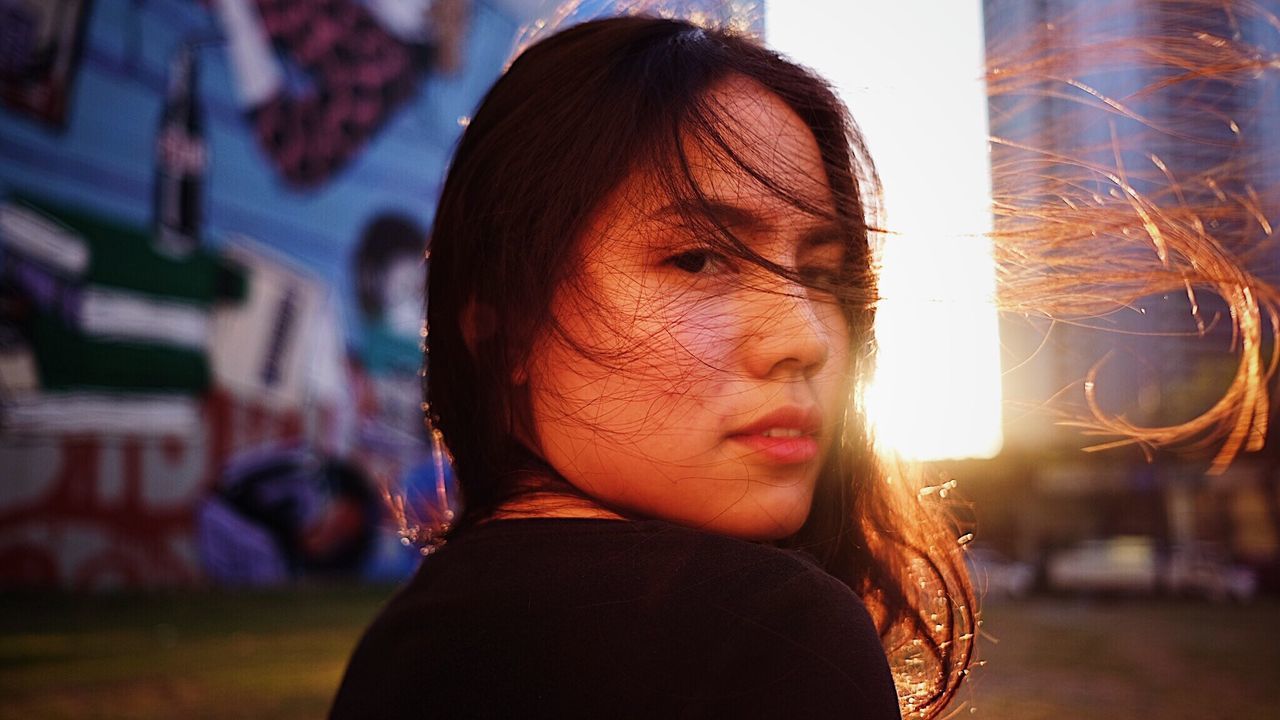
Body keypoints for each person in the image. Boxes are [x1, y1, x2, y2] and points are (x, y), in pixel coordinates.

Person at [330, 16, 974, 719]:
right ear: (508, 335)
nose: (805, 338)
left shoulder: (398, 645)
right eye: (698, 260)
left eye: (823, 273)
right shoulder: (777, 628)